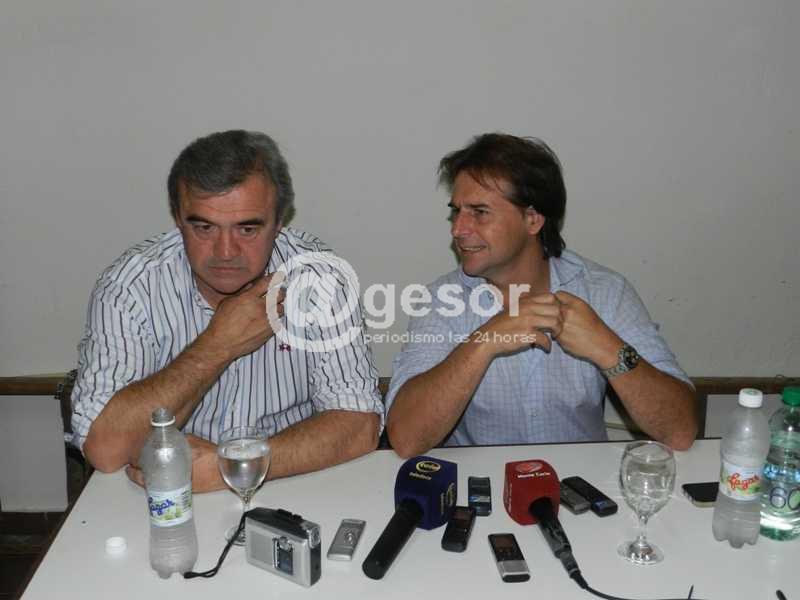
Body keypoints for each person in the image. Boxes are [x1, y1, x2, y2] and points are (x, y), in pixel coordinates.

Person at [71, 130, 383, 491]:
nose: (225, 252)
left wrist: (236, 466)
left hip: (289, 483)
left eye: (247, 229)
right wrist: (217, 345)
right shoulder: (130, 288)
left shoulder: (320, 279)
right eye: (204, 227)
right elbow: (105, 450)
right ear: (178, 218)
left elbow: (360, 426)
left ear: (280, 221)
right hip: (165, 491)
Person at [385, 133, 697, 458]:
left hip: (580, 483)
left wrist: (608, 348)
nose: (458, 229)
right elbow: (406, 440)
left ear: (532, 220)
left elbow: (681, 431)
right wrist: (484, 342)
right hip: (481, 484)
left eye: (479, 212)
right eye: (457, 212)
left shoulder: (605, 292)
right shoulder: (441, 300)